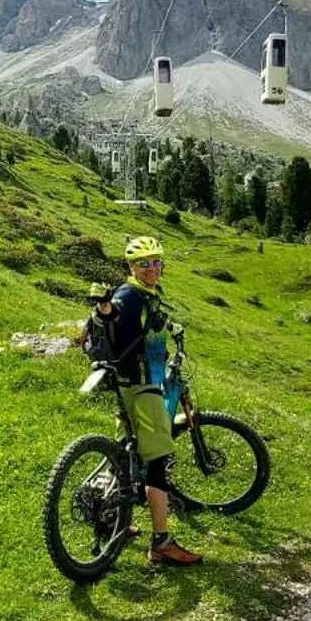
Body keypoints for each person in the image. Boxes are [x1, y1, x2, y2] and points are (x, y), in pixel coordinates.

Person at [105, 235, 203, 567]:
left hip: (136, 383)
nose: (152, 268)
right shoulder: (129, 296)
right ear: (131, 267)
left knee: (124, 454)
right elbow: (115, 320)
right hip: (140, 385)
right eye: (143, 263)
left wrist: (173, 327)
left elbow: (149, 326)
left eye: (157, 261)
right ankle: (161, 543)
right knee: (158, 461)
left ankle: (109, 519)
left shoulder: (146, 295)